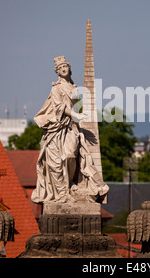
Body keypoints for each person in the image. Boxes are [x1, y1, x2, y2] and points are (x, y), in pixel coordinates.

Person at [31, 55, 108, 204]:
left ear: (69, 69)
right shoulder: (56, 88)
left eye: (65, 66)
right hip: (57, 128)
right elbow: (60, 107)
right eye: (60, 68)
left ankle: (71, 182)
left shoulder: (73, 87)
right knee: (60, 160)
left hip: (71, 127)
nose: (63, 69)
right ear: (57, 72)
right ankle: (63, 191)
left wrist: (80, 115)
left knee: (70, 155)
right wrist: (75, 114)